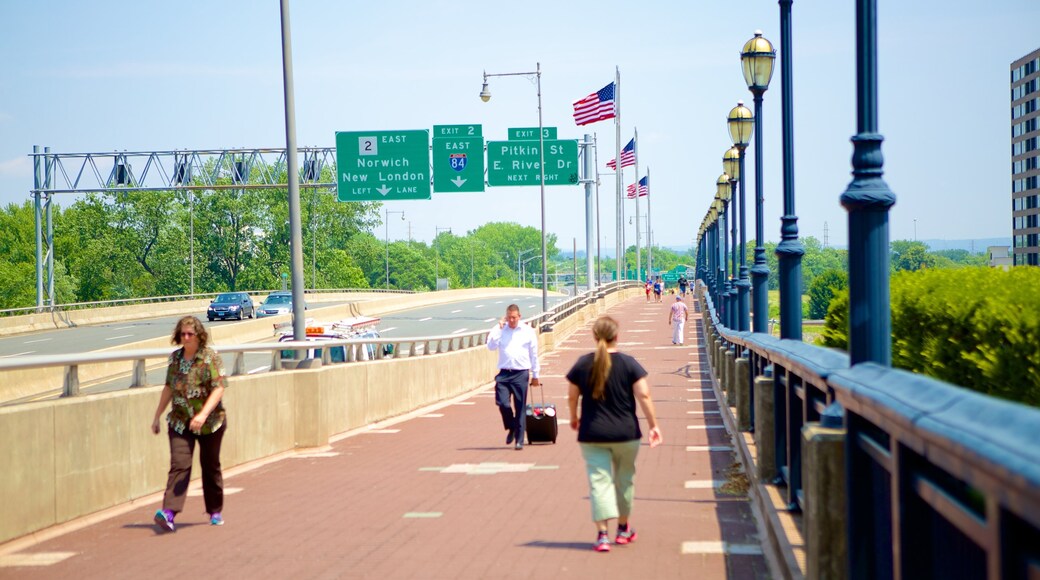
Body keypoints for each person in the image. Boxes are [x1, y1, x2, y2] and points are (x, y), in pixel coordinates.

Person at [567, 316, 662, 552]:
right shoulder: (629, 364)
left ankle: (602, 536)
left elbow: (572, 396)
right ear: (616, 336)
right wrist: (654, 426)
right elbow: (644, 396)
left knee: (599, 483)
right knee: (624, 482)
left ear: (594, 336)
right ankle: (622, 529)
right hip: (626, 433)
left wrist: (574, 418)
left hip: (593, 433)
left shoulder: (582, 364)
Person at [151, 316, 229, 532]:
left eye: (190, 334)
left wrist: (203, 415)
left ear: (198, 335)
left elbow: (219, 387)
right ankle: (169, 512)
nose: (185, 338)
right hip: (180, 421)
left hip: (210, 423)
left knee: (210, 465)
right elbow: (169, 387)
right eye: (182, 334)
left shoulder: (210, 357)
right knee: (179, 465)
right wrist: (157, 416)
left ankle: (214, 511)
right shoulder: (175, 359)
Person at [487, 304, 540, 450]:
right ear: (506, 317)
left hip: (521, 373)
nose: (512, 320)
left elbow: (534, 354)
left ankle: (519, 440)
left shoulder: (527, 331)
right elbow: (490, 346)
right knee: (503, 403)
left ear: (519, 316)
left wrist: (536, 375)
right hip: (504, 373)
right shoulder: (500, 329)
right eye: (509, 317)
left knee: (520, 406)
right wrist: (498, 329)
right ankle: (511, 426)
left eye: (514, 317)